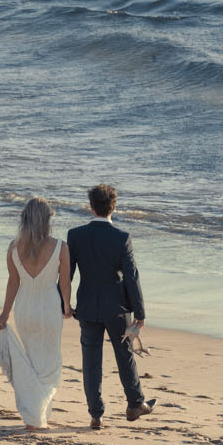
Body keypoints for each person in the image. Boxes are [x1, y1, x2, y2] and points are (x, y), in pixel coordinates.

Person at [67, 184, 155, 430]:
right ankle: (135, 403)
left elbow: (66, 274)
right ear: (113, 207)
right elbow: (131, 277)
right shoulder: (121, 238)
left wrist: (64, 303)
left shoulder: (75, 235)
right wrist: (140, 313)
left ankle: (96, 414)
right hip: (116, 308)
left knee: (90, 359)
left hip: (86, 305)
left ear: (91, 207)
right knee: (124, 355)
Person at [0, 197, 72, 429]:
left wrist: (5, 314)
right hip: (49, 307)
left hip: (25, 309)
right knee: (49, 365)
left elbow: (13, 283)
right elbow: (65, 284)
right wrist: (67, 306)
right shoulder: (61, 247)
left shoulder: (14, 248)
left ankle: (36, 414)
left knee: (30, 362)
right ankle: (36, 416)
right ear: (47, 221)